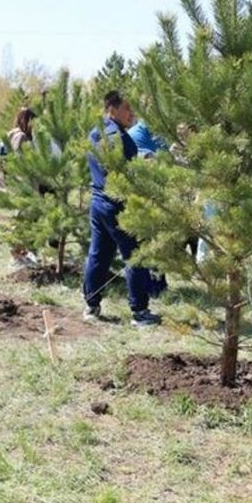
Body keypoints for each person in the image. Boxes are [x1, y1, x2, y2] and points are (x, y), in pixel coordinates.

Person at [82, 91, 161, 327]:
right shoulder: (115, 135)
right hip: (118, 204)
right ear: (112, 109)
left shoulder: (95, 131)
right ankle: (140, 312)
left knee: (99, 254)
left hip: (98, 202)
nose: (132, 114)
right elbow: (119, 171)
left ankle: (91, 305)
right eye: (127, 108)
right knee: (134, 255)